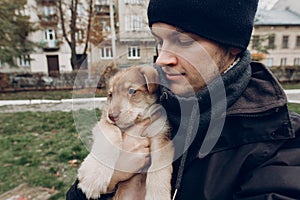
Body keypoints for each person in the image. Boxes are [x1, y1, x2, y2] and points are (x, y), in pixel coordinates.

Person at [67, 0, 300, 199]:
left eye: (184, 41)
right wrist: (108, 178)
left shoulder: (279, 142)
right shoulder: (148, 100)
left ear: (233, 47)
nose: (162, 58)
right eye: (159, 41)